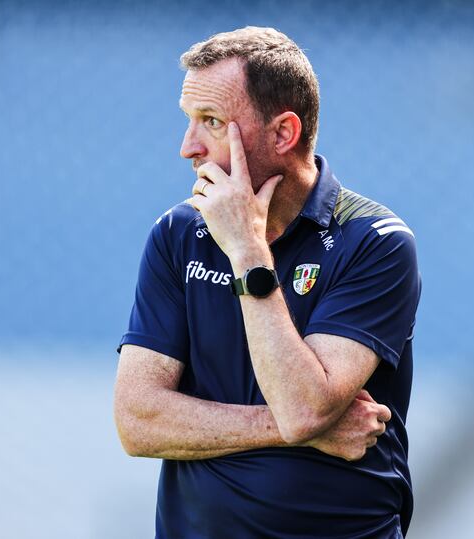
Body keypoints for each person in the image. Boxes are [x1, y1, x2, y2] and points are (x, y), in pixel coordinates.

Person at [114, 26, 421, 539]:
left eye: (212, 122)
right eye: (189, 120)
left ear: (283, 134)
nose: (187, 147)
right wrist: (294, 429)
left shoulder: (375, 241)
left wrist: (248, 252)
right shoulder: (178, 234)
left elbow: (303, 407)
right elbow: (137, 421)